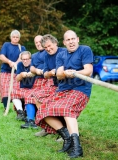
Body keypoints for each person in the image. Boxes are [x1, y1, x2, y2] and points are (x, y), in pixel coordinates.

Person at [35, 30, 93, 158]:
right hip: (63, 89)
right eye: (68, 40)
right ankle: (67, 137)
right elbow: (59, 75)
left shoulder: (85, 50)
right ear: (64, 42)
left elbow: (88, 70)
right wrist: (65, 73)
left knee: (67, 109)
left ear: (77, 39)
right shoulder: (62, 55)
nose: (71, 42)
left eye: (73, 39)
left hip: (80, 89)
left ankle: (77, 148)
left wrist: (76, 72)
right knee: (43, 110)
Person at [0, 30, 26, 112]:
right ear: (11, 37)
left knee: (17, 90)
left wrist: (16, 64)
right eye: (13, 37)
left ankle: (19, 109)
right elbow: (2, 56)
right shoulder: (6, 45)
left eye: (17, 37)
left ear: (19, 38)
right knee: (5, 89)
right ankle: (6, 108)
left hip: (17, 72)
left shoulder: (22, 48)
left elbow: (23, 57)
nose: (15, 38)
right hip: (6, 71)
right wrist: (9, 62)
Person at [11, 51, 37, 129]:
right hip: (23, 88)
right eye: (23, 59)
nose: (25, 61)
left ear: (30, 59)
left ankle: (30, 118)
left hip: (33, 88)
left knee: (28, 95)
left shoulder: (34, 65)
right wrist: (22, 75)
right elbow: (17, 79)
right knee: (13, 92)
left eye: (27, 59)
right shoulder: (20, 65)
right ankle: (20, 112)